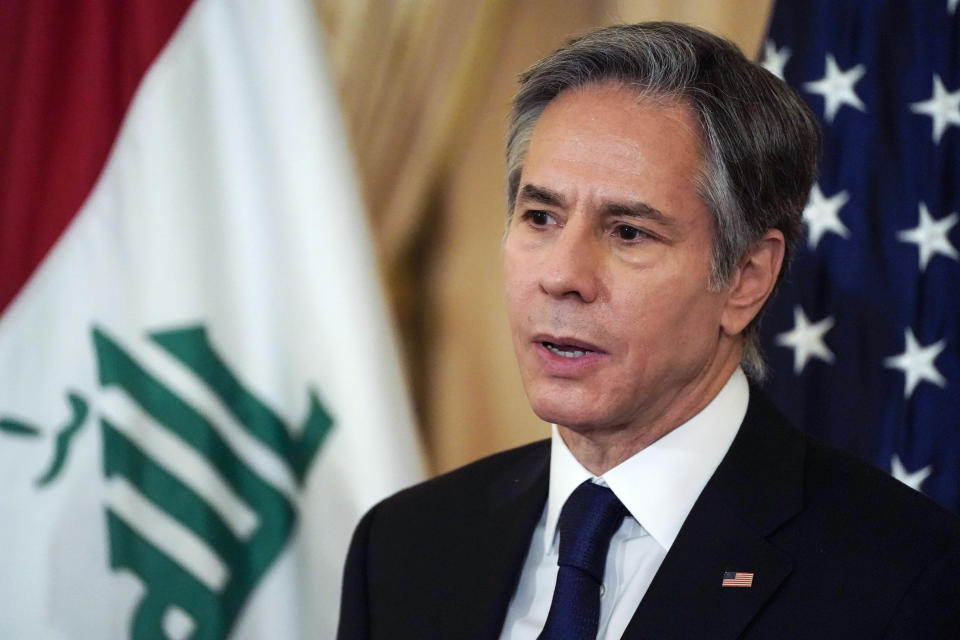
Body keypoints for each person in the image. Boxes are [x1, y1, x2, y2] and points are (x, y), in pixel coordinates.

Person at [337, 22, 960, 640]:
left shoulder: (900, 579)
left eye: (628, 231)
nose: (562, 276)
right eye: (541, 216)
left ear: (746, 278)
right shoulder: (402, 547)